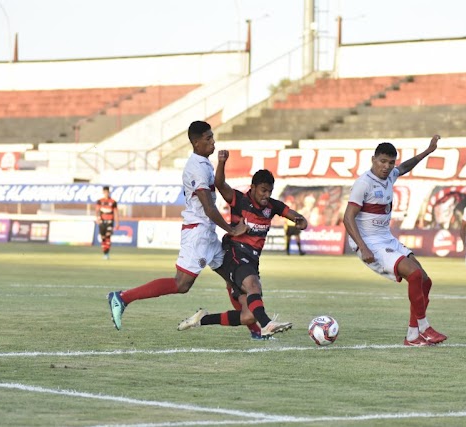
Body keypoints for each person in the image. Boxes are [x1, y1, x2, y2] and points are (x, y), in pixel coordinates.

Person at [106, 121, 265, 338]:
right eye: (208, 139)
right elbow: (208, 208)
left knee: (232, 277)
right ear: (196, 142)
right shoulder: (196, 168)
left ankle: (255, 330)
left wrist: (221, 164)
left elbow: (215, 191)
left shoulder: (205, 163)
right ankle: (123, 298)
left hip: (207, 234)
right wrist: (231, 229)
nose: (213, 142)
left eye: (212, 137)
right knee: (181, 284)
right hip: (198, 233)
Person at [176, 149, 307, 338]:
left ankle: (201, 319)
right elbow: (220, 184)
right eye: (263, 190)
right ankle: (267, 324)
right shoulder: (239, 200)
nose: (266, 195)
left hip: (252, 261)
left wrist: (300, 220)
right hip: (235, 254)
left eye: (269, 191)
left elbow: (292, 214)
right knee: (254, 286)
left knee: (247, 316)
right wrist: (222, 163)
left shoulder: (272, 206)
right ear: (253, 187)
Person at [343, 135, 447, 347]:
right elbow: (347, 217)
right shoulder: (364, 183)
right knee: (415, 274)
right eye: (382, 161)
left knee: (425, 281)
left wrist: (427, 151)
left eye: (391, 162)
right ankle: (424, 328)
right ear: (373, 159)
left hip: (386, 239)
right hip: (370, 242)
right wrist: (363, 247)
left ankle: (412, 335)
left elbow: (405, 166)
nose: (387, 166)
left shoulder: (391, 175)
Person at [95, 186, 119, 260]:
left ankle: (107, 253)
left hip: (110, 222)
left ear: (109, 192)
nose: (106, 194)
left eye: (107, 192)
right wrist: (97, 218)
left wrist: (117, 223)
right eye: (104, 192)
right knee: (103, 238)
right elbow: (97, 211)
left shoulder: (113, 202)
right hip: (102, 222)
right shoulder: (100, 201)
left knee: (108, 236)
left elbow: (116, 213)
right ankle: (105, 253)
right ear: (103, 192)